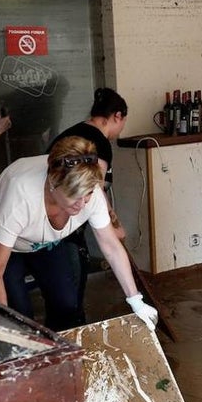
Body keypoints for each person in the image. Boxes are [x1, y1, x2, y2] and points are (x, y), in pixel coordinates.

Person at [0, 135, 158, 333]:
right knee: (19, 316)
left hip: (43, 242)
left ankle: (60, 355)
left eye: (88, 195)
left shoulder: (88, 194)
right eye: (74, 196)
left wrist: (136, 301)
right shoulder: (20, 196)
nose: (82, 204)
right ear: (52, 182)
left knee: (67, 304)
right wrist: (6, 329)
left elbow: (110, 245)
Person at [48, 88, 130, 321]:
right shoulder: (98, 144)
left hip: (52, 220)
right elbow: (94, 191)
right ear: (117, 116)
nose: (121, 127)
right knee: (71, 290)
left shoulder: (73, 133)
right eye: (123, 122)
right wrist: (114, 227)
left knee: (59, 290)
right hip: (66, 226)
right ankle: (71, 334)